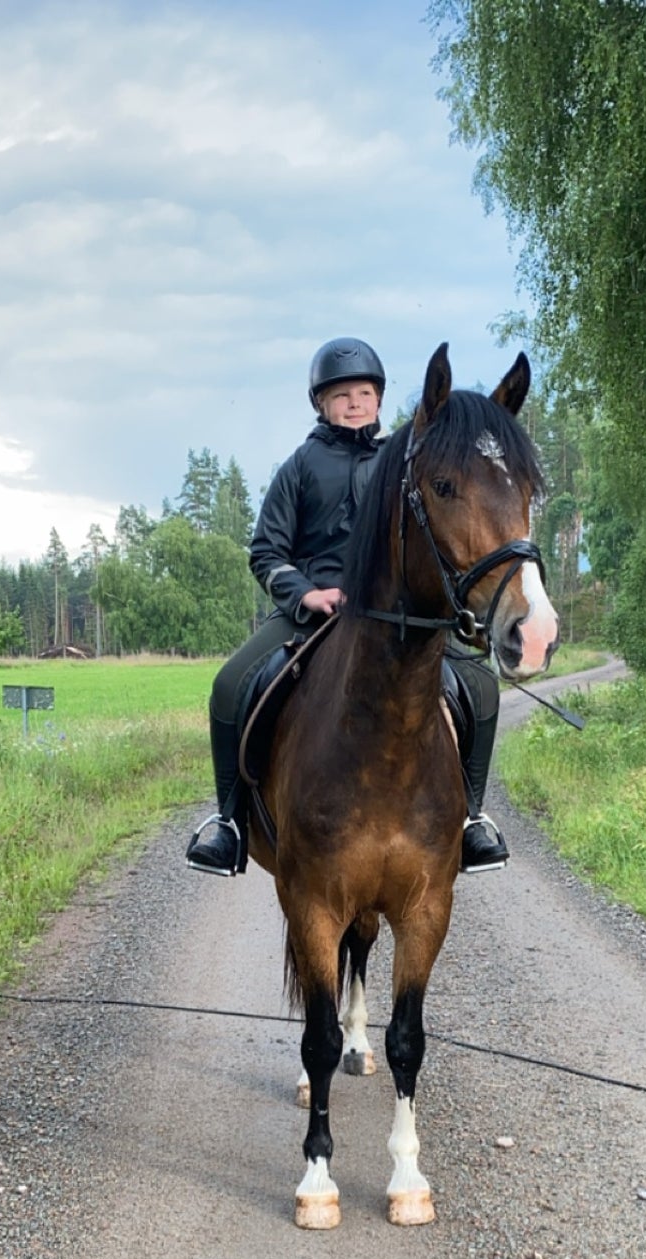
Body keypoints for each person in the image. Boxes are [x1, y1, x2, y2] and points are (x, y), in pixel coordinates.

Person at [185, 336, 508, 875]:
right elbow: (266, 550)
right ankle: (230, 822)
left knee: (480, 685)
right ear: (320, 403)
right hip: (312, 611)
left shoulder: (404, 462)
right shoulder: (300, 467)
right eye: (341, 394)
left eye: (364, 392)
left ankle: (472, 818)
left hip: (397, 615)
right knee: (230, 683)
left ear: (380, 399)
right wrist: (307, 592)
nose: (354, 402)